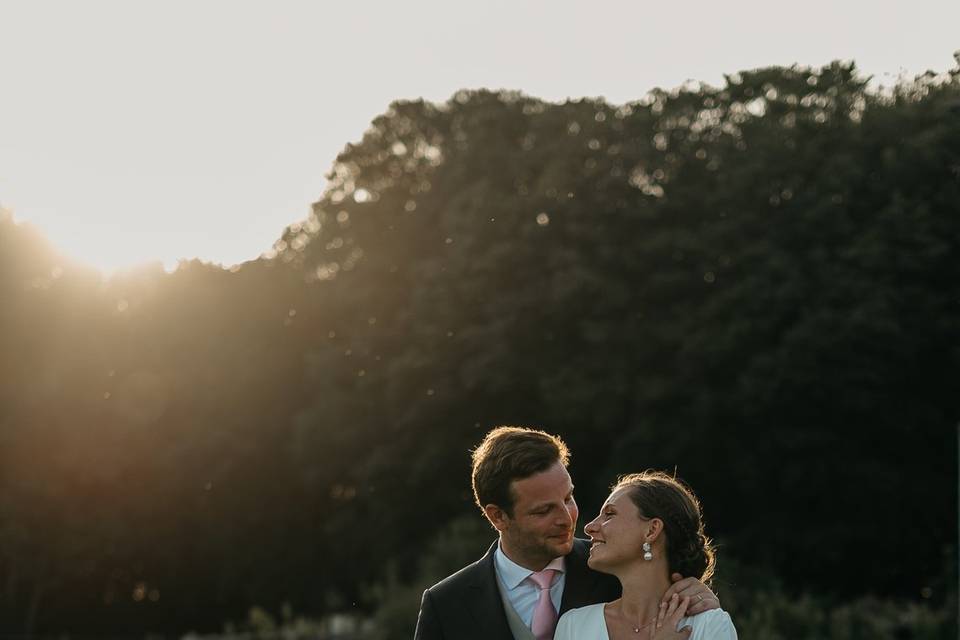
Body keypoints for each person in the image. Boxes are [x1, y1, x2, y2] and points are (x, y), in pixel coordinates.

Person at [414, 427, 721, 640]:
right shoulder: (446, 606)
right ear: (498, 516)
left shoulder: (619, 566)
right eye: (543, 510)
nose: (568, 518)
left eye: (568, 498)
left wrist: (699, 596)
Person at [554, 471, 737, 639]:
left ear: (651, 530)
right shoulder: (574, 625)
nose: (589, 527)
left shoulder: (709, 625)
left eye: (609, 514)